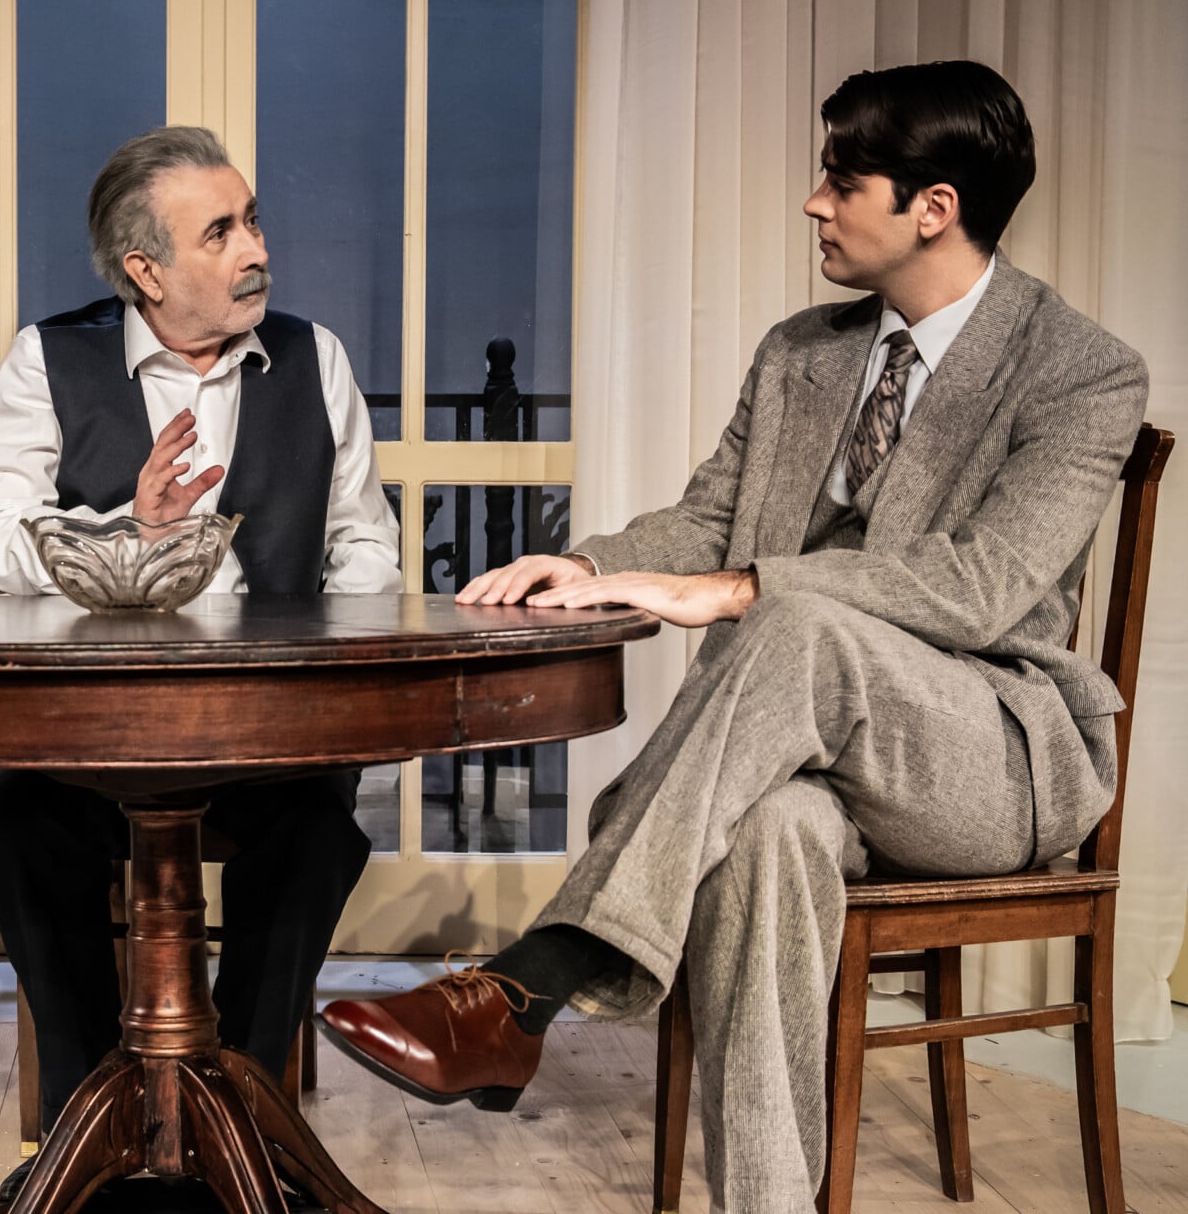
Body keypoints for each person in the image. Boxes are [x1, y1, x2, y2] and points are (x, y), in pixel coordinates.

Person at [318, 61, 1148, 1213]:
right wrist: (592, 563)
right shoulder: (804, 351)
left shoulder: (1081, 370)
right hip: (801, 757)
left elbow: (981, 585)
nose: (815, 201)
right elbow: (710, 513)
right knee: (769, 834)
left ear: (934, 207)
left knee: (796, 617)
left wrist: (740, 588)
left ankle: (537, 976)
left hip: (982, 758)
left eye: (841, 180)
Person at [0, 125, 401, 1200]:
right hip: (91, 738)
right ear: (146, 271)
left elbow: (365, 546)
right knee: (22, 828)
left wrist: (328, 664)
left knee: (314, 831)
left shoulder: (315, 357)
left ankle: (241, 1119)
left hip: (268, 735)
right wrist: (129, 530)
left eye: (253, 221)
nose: (256, 248)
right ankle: (86, 1132)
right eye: (221, 232)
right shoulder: (49, 359)